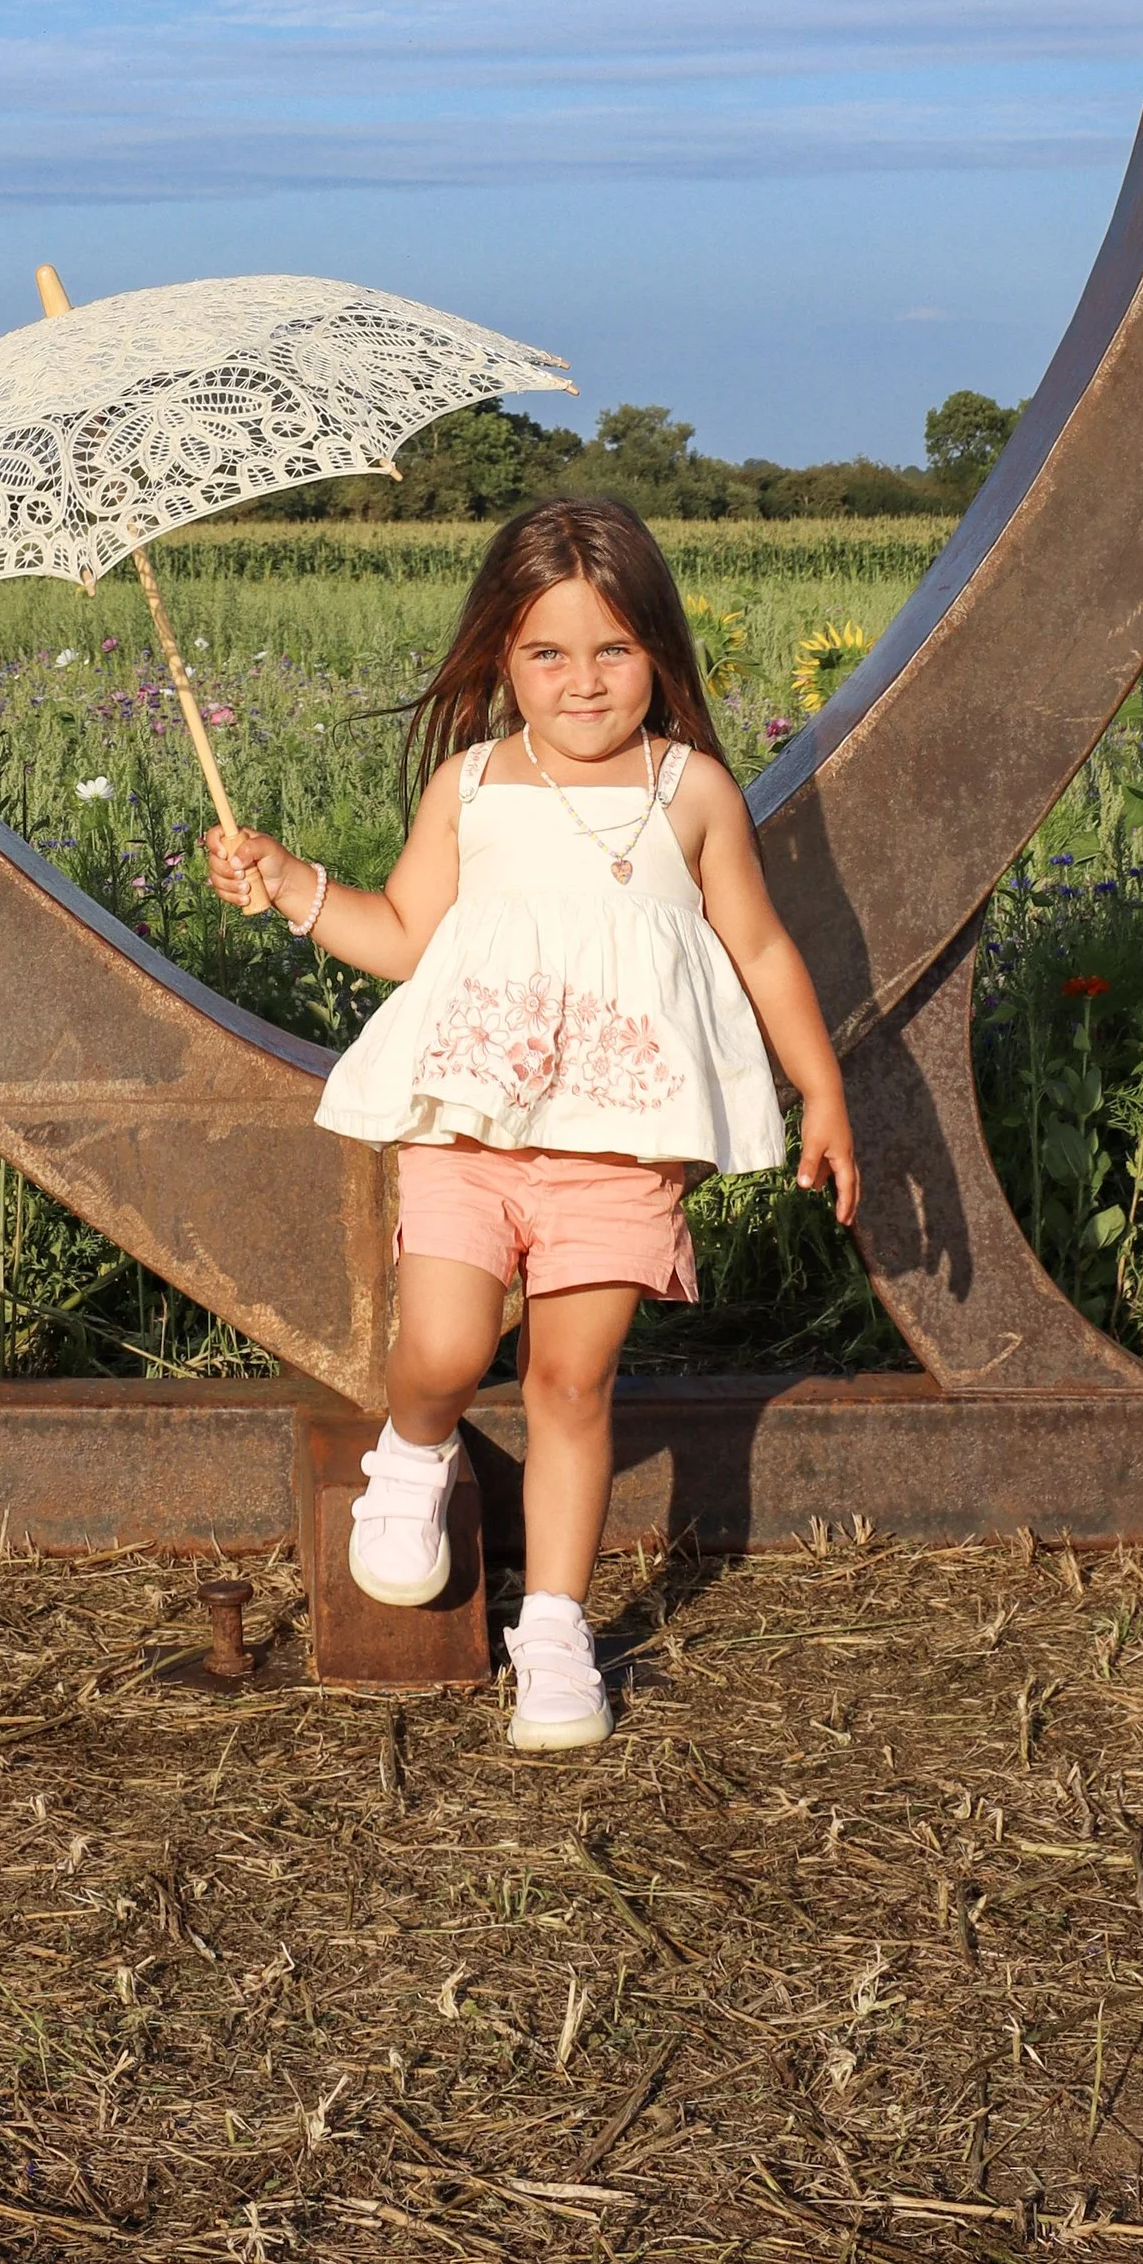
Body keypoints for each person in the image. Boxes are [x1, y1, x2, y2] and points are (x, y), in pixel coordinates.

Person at [206, 494, 859, 1754]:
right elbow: (400, 935)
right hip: (472, 1132)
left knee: (571, 1381)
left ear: (659, 653)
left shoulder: (692, 792)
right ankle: (413, 1451)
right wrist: (291, 885)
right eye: (548, 652)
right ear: (499, 658)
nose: (582, 681)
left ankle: (554, 1624)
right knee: (447, 1350)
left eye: (613, 649)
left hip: (620, 1148)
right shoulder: (473, 786)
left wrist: (819, 1088)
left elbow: (763, 949)